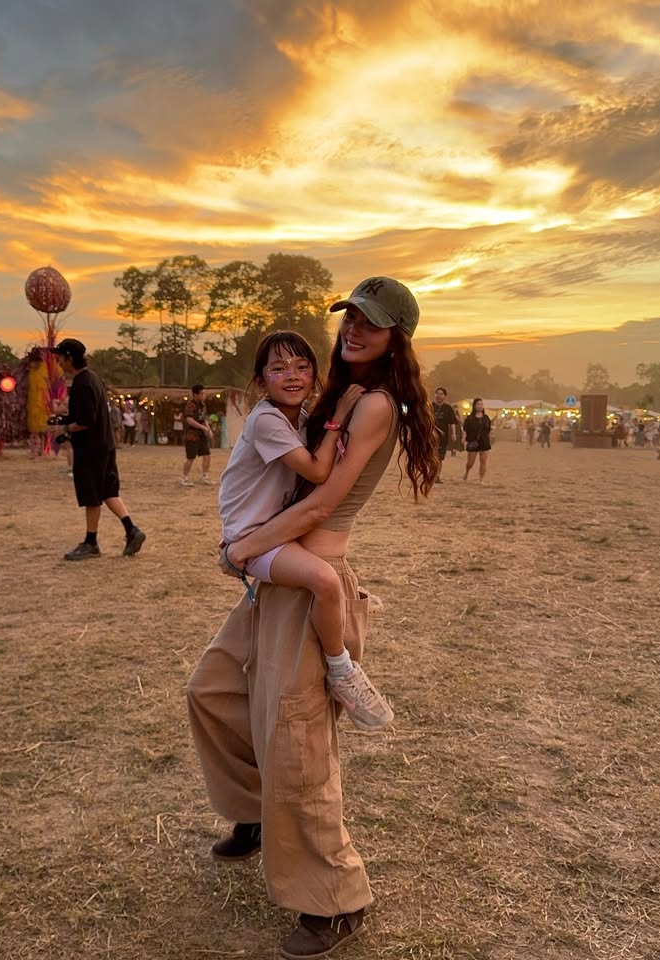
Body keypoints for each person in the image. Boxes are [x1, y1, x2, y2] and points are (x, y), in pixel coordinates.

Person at [187, 277, 438, 959]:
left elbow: (323, 503)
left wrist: (243, 548)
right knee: (213, 689)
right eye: (350, 317)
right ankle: (256, 812)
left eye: (370, 323)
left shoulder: (375, 403)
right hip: (279, 578)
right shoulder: (336, 395)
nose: (353, 330)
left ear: (396, 337)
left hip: (306, 581)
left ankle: (337, 901)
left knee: (298, 744)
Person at [219, 329, 392, 731]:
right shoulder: (267, 420)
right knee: (326, 581)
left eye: (301, 367)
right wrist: (338, 419)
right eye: (278, 369)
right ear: (261, 380)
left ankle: (345, 623)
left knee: (328, 582)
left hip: (272, 530)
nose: (292, 376)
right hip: (255, 538)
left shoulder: (295, 417)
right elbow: (317, 470)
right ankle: (342, 671)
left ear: (315, 373)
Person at [50, 339, 146, 560]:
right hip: (105, 445)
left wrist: (65, 428)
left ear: (69, 358)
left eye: (60, 358)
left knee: (92, 495)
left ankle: (91, 542)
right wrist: (66, 421)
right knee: (107, 491)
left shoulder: (82, 383)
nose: (59, 362)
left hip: (91, 449)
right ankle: (132, 530)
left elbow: (87, 420)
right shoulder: (93, 378)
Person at [181, 385, 213, 485]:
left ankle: (205, 477)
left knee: (207, 455)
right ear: (195, 395)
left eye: (204, 393)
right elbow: (189, 420)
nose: (204, 395)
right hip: (192, 435)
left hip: (201, 435)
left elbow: (204, 419)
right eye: (202, 394)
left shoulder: (203, 405)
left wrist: (208, 429)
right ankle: (184, 478)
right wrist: (203, 427)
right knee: (191, 457)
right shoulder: (190, 405)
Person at [463, 398, 492, 482]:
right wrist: (463, 438)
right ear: (474, 406)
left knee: (483, 461)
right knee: (470, 463)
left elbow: (489, 430)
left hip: (484, 441)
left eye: (481, 404)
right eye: (478, 404)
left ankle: (481, 479)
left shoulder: (486, 418)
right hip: (472, 441)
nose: (480, 406)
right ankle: (467, 472)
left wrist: (490, 439)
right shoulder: (470, 418)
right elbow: (465, 429)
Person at [431, 386, 457, 482]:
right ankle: (431, 475)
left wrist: (454, 433)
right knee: (432, 456)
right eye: (437, 393)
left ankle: (437, 476)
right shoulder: (430, 406)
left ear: (445, 396)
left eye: (441, 394)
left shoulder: (448, 408)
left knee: (439, 457)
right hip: (430, 436)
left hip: (443, 437)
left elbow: (452, 422)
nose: (439, 396)